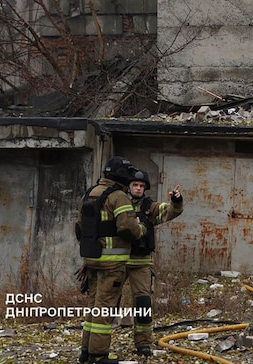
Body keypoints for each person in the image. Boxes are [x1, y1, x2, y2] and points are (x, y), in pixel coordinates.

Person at [76, 156, 146, 364]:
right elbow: (127, 227)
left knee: (93, 307)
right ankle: (99, 356)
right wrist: (140, 229)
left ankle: (86, 353)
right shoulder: (118, 197)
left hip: (92, 259)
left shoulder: (89, 194)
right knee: (105, 309)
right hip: (112, 263)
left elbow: (80, 227)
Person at [122, 170, 184, 357]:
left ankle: (143, 344)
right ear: (129, 187)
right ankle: (100, 345)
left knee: (143, 302)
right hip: (117, 260)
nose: (139, 188)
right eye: (135, 185)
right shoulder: (118, 203)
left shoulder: (150, 208)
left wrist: (176, 200)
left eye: (142, 186)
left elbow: (171, 211)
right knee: (109, 301)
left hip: (141, 261)